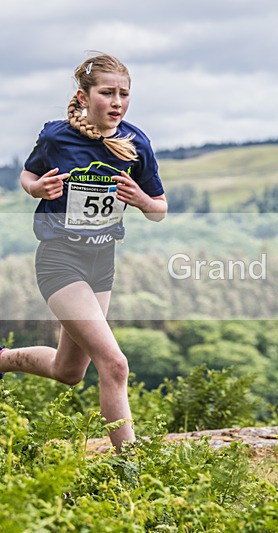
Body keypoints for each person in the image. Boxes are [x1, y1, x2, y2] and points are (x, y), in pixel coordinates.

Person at [0, 53, 167, 451]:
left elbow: (159, 209)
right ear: (84, 96)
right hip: (60, 262)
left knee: (69, 370)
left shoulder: (135, 142)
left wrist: (142, 199)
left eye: (124, 94)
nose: (117, 102)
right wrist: (36, 189)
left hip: (101, 265)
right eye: (107, 93)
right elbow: (27, 173)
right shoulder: (57, 137)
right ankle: (133, 468)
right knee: (115, 364)